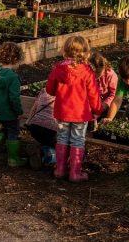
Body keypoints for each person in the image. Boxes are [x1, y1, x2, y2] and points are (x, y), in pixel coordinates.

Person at [46, 36, 101, 182]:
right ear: (85, 52)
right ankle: (75, 173)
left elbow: (50, 89)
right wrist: (97, 110)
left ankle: (60, 170)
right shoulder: (87, 71)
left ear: (65, 50)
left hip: (62, 112)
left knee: (62, 137)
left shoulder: (59, 68)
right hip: (80, 113)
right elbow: (94, 94)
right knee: (77, 140)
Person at [0, 42, 26, 167]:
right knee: (13, 130)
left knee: (5, 127)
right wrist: (19, 112)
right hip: (8, 112)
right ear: (16, 59)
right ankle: (13, 159)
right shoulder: (13, 78)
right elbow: (14, 98)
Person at [23, 87, 58, 169]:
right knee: (61, 145)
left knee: (46, 141)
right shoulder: (66, 94)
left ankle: (38, 151)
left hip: (35, 128)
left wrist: (27, 122)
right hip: (52, 131)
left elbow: (34, 108)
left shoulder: (44, 90)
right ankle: (43, 153)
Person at [90, 53, 118, 121]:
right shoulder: (86, 74)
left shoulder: (110, 75)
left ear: (104, 67)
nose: (96, 76)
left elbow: (113, 94)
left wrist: (103, 106)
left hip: (105, 104)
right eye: (94, 73)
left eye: (98, 73)